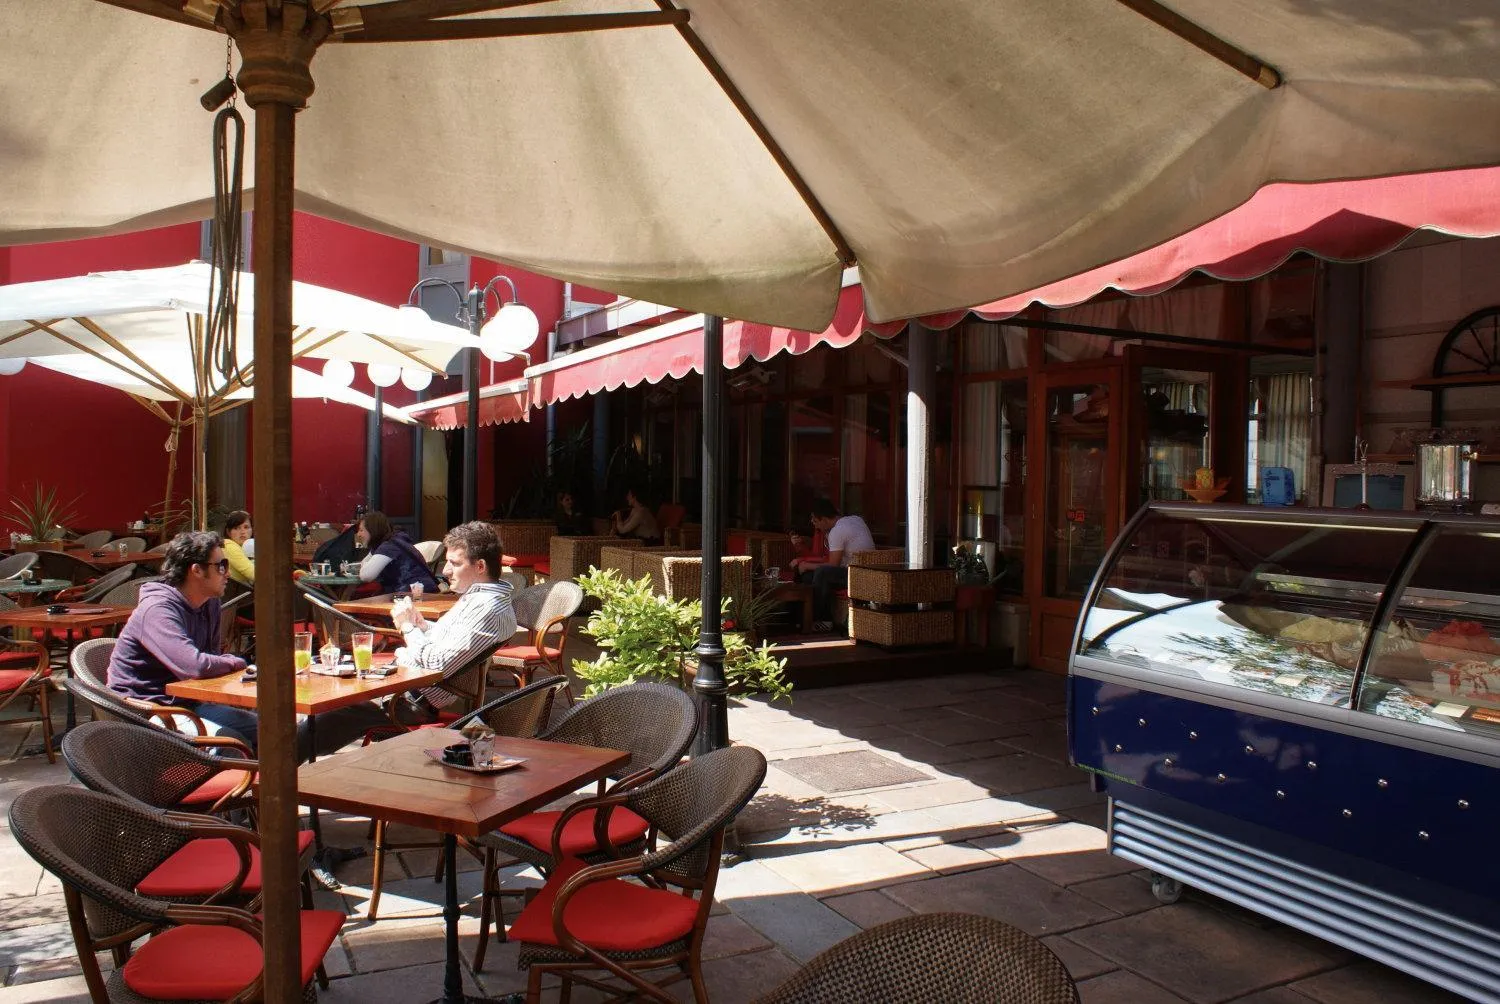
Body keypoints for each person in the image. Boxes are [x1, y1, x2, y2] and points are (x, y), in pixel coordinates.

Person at [303, 520, 518, 760]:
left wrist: (407, 627)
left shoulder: (486, 608)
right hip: (406, 689)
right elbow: (453, 640)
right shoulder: (483, 598)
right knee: (327, 698)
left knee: (324, 712)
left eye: (455, 563)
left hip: (408, 701)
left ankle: (276, 762)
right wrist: (422, 625)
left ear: (480, 566)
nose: (446, 571)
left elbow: (436, 663)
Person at [106, 530, 259, 750]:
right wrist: (239, 663)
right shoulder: (157, 609)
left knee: (269, 730)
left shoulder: (209, 603)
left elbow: (210, 663)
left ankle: (263, 773)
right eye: (221, 566)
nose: (227, 573)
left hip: (186, 703)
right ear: (196, 570)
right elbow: (195, 666)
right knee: (231, 742)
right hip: (144, 711)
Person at [790, 498, 874, 632]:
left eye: (815, 522)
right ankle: (802, 618)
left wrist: (806, 565)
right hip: (864, 571)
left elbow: (832, 564)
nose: (815, 526)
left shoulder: (837, 531)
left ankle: (824, 620)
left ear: (824, 519)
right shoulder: (855, 519)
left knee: (822, 573)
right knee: (808, 576)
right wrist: (806, 565)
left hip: (858, 575)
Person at [356, 510, 438, 595]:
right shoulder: (391, 542)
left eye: (361, 530)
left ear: (373, 530)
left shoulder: (389, 547)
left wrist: (364, 564)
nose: (358, 534)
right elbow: (365, 565)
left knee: (362, 597)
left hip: (418, 594)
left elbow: (366, 575)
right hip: (411, 591)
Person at [222, 510, 255, 586]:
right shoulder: (228, 545)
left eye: (246, 527)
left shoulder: (248, 547)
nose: (242, 532)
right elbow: (255, 574)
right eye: (236, 528)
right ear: (228, 532)